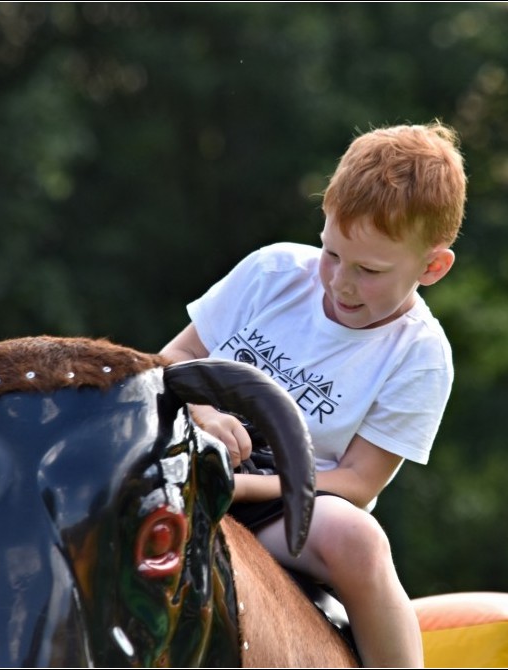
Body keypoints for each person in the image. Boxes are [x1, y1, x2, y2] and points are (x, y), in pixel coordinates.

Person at [160, 120, 467, 667]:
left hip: (290, 508)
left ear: (432, 267)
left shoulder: (419, 354)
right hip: (183, 470)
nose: (341, 282)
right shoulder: (271, 271)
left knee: (361, 541)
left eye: (370, 270)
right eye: (331, 254)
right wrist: (203, 415)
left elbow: (356, 481)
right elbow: (172, 360)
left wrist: (244, 487)